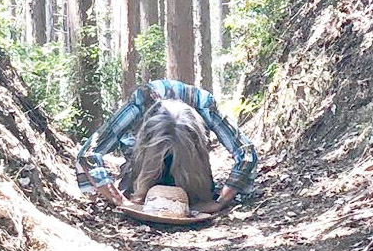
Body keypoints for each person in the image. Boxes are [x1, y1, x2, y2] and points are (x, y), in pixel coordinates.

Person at [76, 79, 257, 213]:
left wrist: (221, 201)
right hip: (143, 168)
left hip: (191, 170)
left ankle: (192, 187)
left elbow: (246, 152)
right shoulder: (139, 103)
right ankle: (144, 181)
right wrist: (120, 200)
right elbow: (89, 154)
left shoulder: (204, 105)